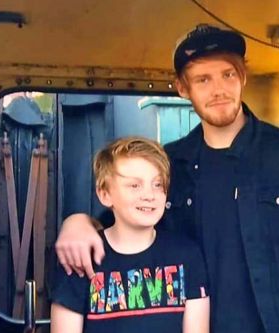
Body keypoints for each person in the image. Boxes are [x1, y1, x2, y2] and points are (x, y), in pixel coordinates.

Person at [55, 24, 279, 333]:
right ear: (182, 88)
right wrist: (76, 223)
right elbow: (117, 223)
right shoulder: (168, 164)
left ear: (242, 76)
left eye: (228, 74)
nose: (218, 90)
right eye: (203, 79)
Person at [51, 137, 209, 333]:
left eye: (157, 184)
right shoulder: (82, 256)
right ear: (104, 194)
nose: (149, 195)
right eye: (134, 185)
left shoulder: (187, 255)